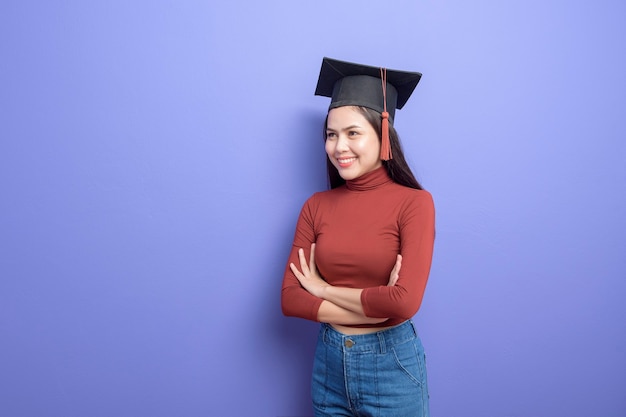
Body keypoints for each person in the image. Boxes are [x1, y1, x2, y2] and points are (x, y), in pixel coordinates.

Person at [281, 57, 435, 417]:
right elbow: (289, 299)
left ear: (383, 136)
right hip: (329, 365)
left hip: (392, 366)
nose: (339, 146)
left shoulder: (415, 204)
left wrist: (322, 290)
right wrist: (374, 310)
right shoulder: (316, 206)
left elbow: (404, 304)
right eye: (331, 135)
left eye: (353, 133)